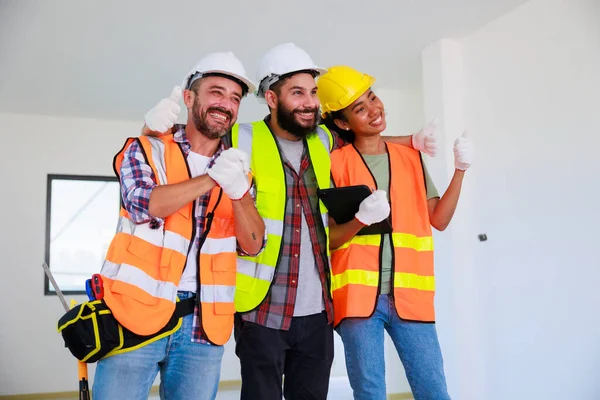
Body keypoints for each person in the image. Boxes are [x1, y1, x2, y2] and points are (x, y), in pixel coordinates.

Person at [141, 43, 439, 400]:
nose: (310, 102)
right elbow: (193, 138)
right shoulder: (242, 137)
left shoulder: (323, 138)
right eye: (297, 93)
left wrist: (411, 140)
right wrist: (148, 129)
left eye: (313, 93)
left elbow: (362, 135)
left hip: (317, 313)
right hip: (261, 309)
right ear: (271, 97)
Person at [92, 52, 266, 400]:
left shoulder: (238, 171)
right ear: (189, 98)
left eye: (235, 98)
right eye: (216, 92)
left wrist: (239, 193)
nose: (226, 104)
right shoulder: (146, 149)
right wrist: (210, 179)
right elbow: (144, 204)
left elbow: (252, 244)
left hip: (202, 325)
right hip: (134, 314)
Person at [317, 65, 473, 400]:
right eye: (360, 108)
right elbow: (327, 239)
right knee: (370, 392)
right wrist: (360, 219)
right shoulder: (333, 163)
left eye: (372, 98)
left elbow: (439, 220)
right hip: (358, 302)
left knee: (434, 390)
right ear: (342, 123)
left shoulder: (409, 157)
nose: (374, 109)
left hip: (410, 296)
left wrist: (460, 171)